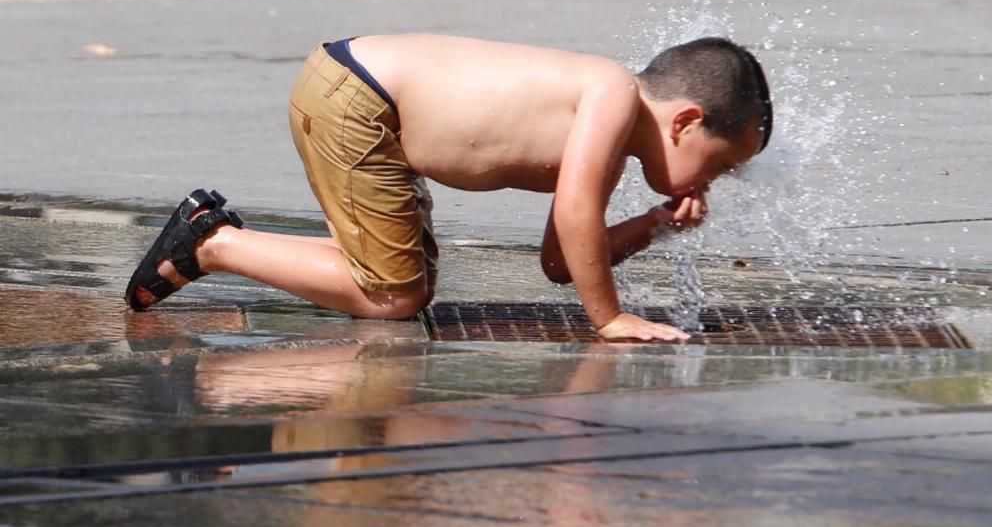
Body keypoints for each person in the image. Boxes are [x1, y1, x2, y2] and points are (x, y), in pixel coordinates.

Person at [125, 34, 773, 342]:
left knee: (401, 282)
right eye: (716, 167)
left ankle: (215, 242)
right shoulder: (610, 92)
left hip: (372, 109)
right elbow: (575, 217)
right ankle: (213, 242)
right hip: (360, 102)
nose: (710, 186)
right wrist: (611, 317)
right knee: (395, 295)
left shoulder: (609, 140)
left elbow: (559, 261)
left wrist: (655, 225)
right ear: (685, 121)